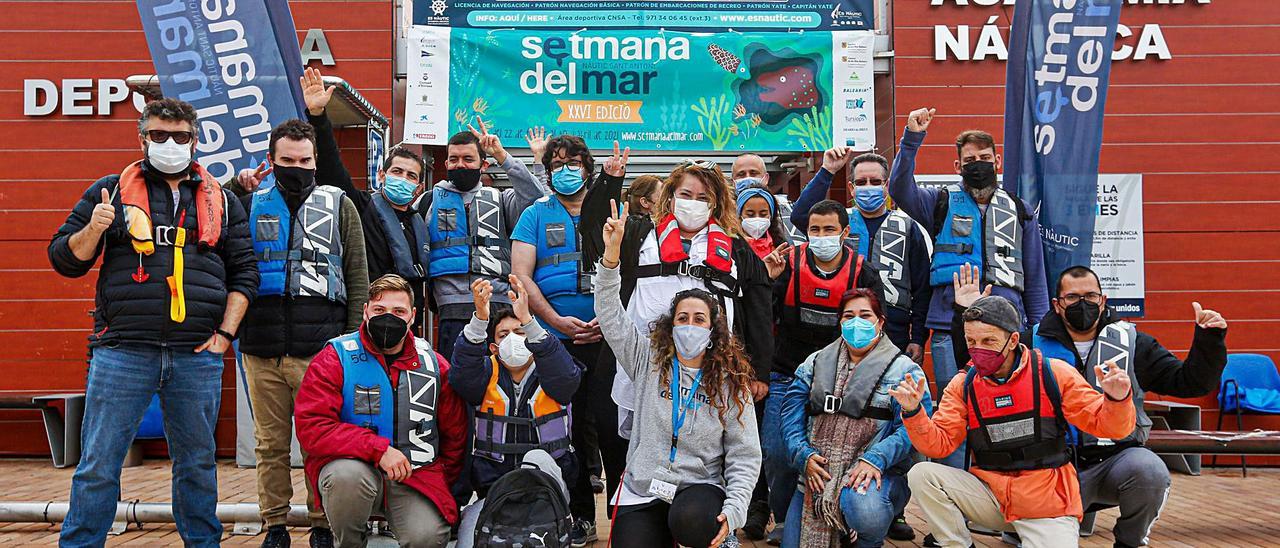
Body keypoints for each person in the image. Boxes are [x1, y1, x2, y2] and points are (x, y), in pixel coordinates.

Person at [50, 98, 258, 547]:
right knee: (99, 463)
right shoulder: (110, 191)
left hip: (197, 356)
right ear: (142, 138)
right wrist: (96, 227)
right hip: (122, 352)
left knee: (198, 465)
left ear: (195, 141)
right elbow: (65, 259)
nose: (170, 144)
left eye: (180, 137)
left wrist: (225, 335)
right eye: (159, 135)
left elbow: (245, 273)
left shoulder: (220, 199)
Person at [947, 264, 1228, 548]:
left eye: (1091, 296)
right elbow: (977, 366)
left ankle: (1130, 540)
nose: (1083, 303)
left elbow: (1189, 383)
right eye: (1072, 297)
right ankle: (1022, 525)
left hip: (1110, 464)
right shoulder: (1030, 342)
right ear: (1057, 305)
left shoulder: (1134, 343)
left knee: (1150, 471)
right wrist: (967, 314)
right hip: (1045, 470)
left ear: (1103, 300)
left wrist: (1210, 341)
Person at [579, 159, 774, 536]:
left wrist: (759, 371)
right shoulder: (639, 235)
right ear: (670, 197)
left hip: (708, 371)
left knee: (710, 450)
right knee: (630, 449)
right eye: (686, 194)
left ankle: (710, 518)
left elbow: (759, 305)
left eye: (703, 197)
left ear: (715, 204)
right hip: (644, 365)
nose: (693, 202)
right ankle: (642, 523)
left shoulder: (735, 250)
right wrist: (611, 180)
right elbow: (592, 226)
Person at [890, 295, 1136, 548]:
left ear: (1013, 340)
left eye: (988, 341)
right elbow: (938, 445)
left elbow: (1110, 428)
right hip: (991, 496)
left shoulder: (1054, 374)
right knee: (923, 474)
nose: (978, 349)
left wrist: (1117, 399)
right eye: (971, 341)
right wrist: (913, 411)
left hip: (1047, 503)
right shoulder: (963, 385)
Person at [236, 118, 369, 547]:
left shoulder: (340, 204)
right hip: (261, 348)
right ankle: (274, 525)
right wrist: (237, 188)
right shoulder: (250, 201)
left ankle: (321, 524)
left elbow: (357, 276)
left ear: (315, 160)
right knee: (269, 445)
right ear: (271, 161)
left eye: (305, 160)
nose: (297, 166)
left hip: (321, 351)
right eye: (287, 160)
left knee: (321, 443)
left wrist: (350, 344)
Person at [233, 68, 432, 329]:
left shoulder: (422, 221)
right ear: (382, 174)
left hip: (406, 321)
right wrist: (317, 116)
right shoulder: (360, 205)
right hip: (369, 318)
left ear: (418, 186)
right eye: (396, 171)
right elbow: (332, 168)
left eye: (410, 176)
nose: (402, 179)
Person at [886, 108, 1049, 407]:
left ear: (997, 161)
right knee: (955, 407)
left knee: (1008, 405)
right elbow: (899, 188)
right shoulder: (940, 201)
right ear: (957, 165)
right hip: (949, 326)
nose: (979, 165)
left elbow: (1035, 276)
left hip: (1007, 328)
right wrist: (912, 139)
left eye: (985, 159)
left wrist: (1039, 332)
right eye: (970, 161)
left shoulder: (1020, 209)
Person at [295, 275, 467, 548]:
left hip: (416, 476)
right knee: (345, 479)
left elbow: (455, 434)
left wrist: (441, 480)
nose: (388, 318)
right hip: (356, 471)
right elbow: (312, 427)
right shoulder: (334, 357)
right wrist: (378, 450)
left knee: (428, 538)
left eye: (398, 311)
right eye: (379, 310)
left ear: (412, 316)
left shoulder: (435, 364)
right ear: (365, 311)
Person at [512, 136, 627, 545]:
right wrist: (556, 319)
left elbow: (628, 267)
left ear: (587, 167)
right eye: (556, 164)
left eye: (572, 162)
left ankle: (622, 514)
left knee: (614, 427)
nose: (564, 170)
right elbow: (521, 274)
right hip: (556, 339)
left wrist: (609, 318)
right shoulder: (533, 215)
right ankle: (580, 516)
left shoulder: (609, 208)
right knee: (569, 432)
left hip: (609, 335)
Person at [779, 288, 931, 548]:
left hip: (877, 476)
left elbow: (912, 432)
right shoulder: (813, 364)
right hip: (817, 481)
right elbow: (789, 417)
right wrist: (803, 455)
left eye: (865, 315)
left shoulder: (906, 370)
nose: (856, 322)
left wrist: (874, 459)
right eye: (848, 316)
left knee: (865, 510)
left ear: (880, 321)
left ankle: (867, 540)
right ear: (840, 322)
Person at [448, 275, 582, 545]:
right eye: (504, 334)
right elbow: (461, 376)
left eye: (520, 332)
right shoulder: (484, 373)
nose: (513, 338)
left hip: (548, 492)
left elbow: (569, 380)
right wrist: (480, 319)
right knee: (467, 543)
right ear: (494, 347)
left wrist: (530, 321)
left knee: (537, 457)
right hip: (494, 493)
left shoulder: (552, 369)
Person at [790, 148, 933, 365]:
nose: (868, 187)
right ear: (851, 188)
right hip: (840, 326)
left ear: (886, 186)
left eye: (875, 181)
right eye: (861, 181)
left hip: (894, 331)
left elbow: (922, 288)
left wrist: (919, 338)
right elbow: (800, 216)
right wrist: (827, 171)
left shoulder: (907, 226)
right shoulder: (838, 222)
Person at [420, 120, 547, 361]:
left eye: (468, 159)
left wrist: (502, 156)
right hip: (451, 309)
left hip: (500, 307)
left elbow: (536, 199)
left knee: (502, 377)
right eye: (454, 159)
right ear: (446, 163)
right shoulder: (428, 201)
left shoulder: (502, 199)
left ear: (483, 165)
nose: (460, 165)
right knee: (457, 380)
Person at [736, 184, 789, 263]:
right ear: (739, 215)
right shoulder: (730, 245)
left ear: (771, 216)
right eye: (750, 215)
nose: (757, 218)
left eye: (763, 214)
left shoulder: (781, 247)